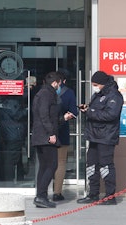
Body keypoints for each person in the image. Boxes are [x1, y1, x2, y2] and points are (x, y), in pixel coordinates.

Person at [76, 71, 123, 205]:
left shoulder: (115, 96)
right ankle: (93, 194)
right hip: (94, 136)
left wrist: (90, 112)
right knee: (91, 165)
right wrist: (87, 108)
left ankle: (110, 196)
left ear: (103, 83)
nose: (94, 87)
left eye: (96, 84)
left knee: (106, 165)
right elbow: (95, 110)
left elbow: (110, 115)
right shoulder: (98, 95)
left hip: (106, 137)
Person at [31, 71, 74, 208]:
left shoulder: (44, 93)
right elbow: (44, 116)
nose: (59, 86)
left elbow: (50, 117)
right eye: (59, 83)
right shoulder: (46, 94)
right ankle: (41, 196)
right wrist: (51, 134)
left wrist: (63, 119)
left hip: (42, 135)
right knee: (52, 165)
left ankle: (40, 196)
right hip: (45, 136)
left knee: (44, 166)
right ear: (55, 83)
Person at [52, 69, 78, 201]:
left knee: (46, 163)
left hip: (45, 132)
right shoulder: (69, 93)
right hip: (61, 131)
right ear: (64, 81)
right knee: (61, 162)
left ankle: (42, 191)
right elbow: (74, 112)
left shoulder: (43, 92)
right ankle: (57, 192)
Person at [0, 96, 28, 182]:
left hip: (8, 133)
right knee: (12, 160)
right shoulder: (12, 102)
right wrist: (27, 110)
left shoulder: (3, 101)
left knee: (13, 159)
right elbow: (17, 115)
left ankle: (17, 178)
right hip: (14, 133)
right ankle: (10, 181)